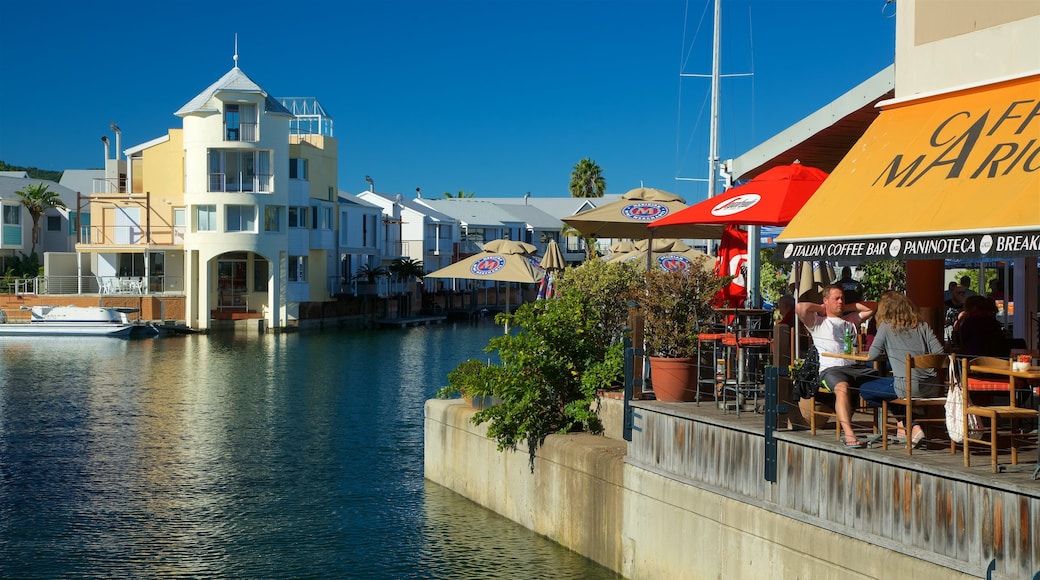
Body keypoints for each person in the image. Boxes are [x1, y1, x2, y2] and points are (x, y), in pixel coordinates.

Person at [795, 284, 877, 448]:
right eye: (836, 299)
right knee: (842, 389)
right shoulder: (818, 322)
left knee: (884, 381)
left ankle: (903, 429)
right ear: (826, 300)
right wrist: (822, 308)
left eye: (842, 298)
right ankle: (849, 434)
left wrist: (845, 307)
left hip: (854, 367)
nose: (840, 301)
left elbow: (873, 306)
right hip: (830, 369)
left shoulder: (850, 320)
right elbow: (800, 307)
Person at [859, 292, 945, 447]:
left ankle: (911, 425)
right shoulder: (922, 325)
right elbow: (939, 354)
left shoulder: (886, 326)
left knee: (865, 390)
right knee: (892, 388)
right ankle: (910, 426)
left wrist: (890, 351)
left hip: (907, 387)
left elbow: (872, 354)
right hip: (933, 386)